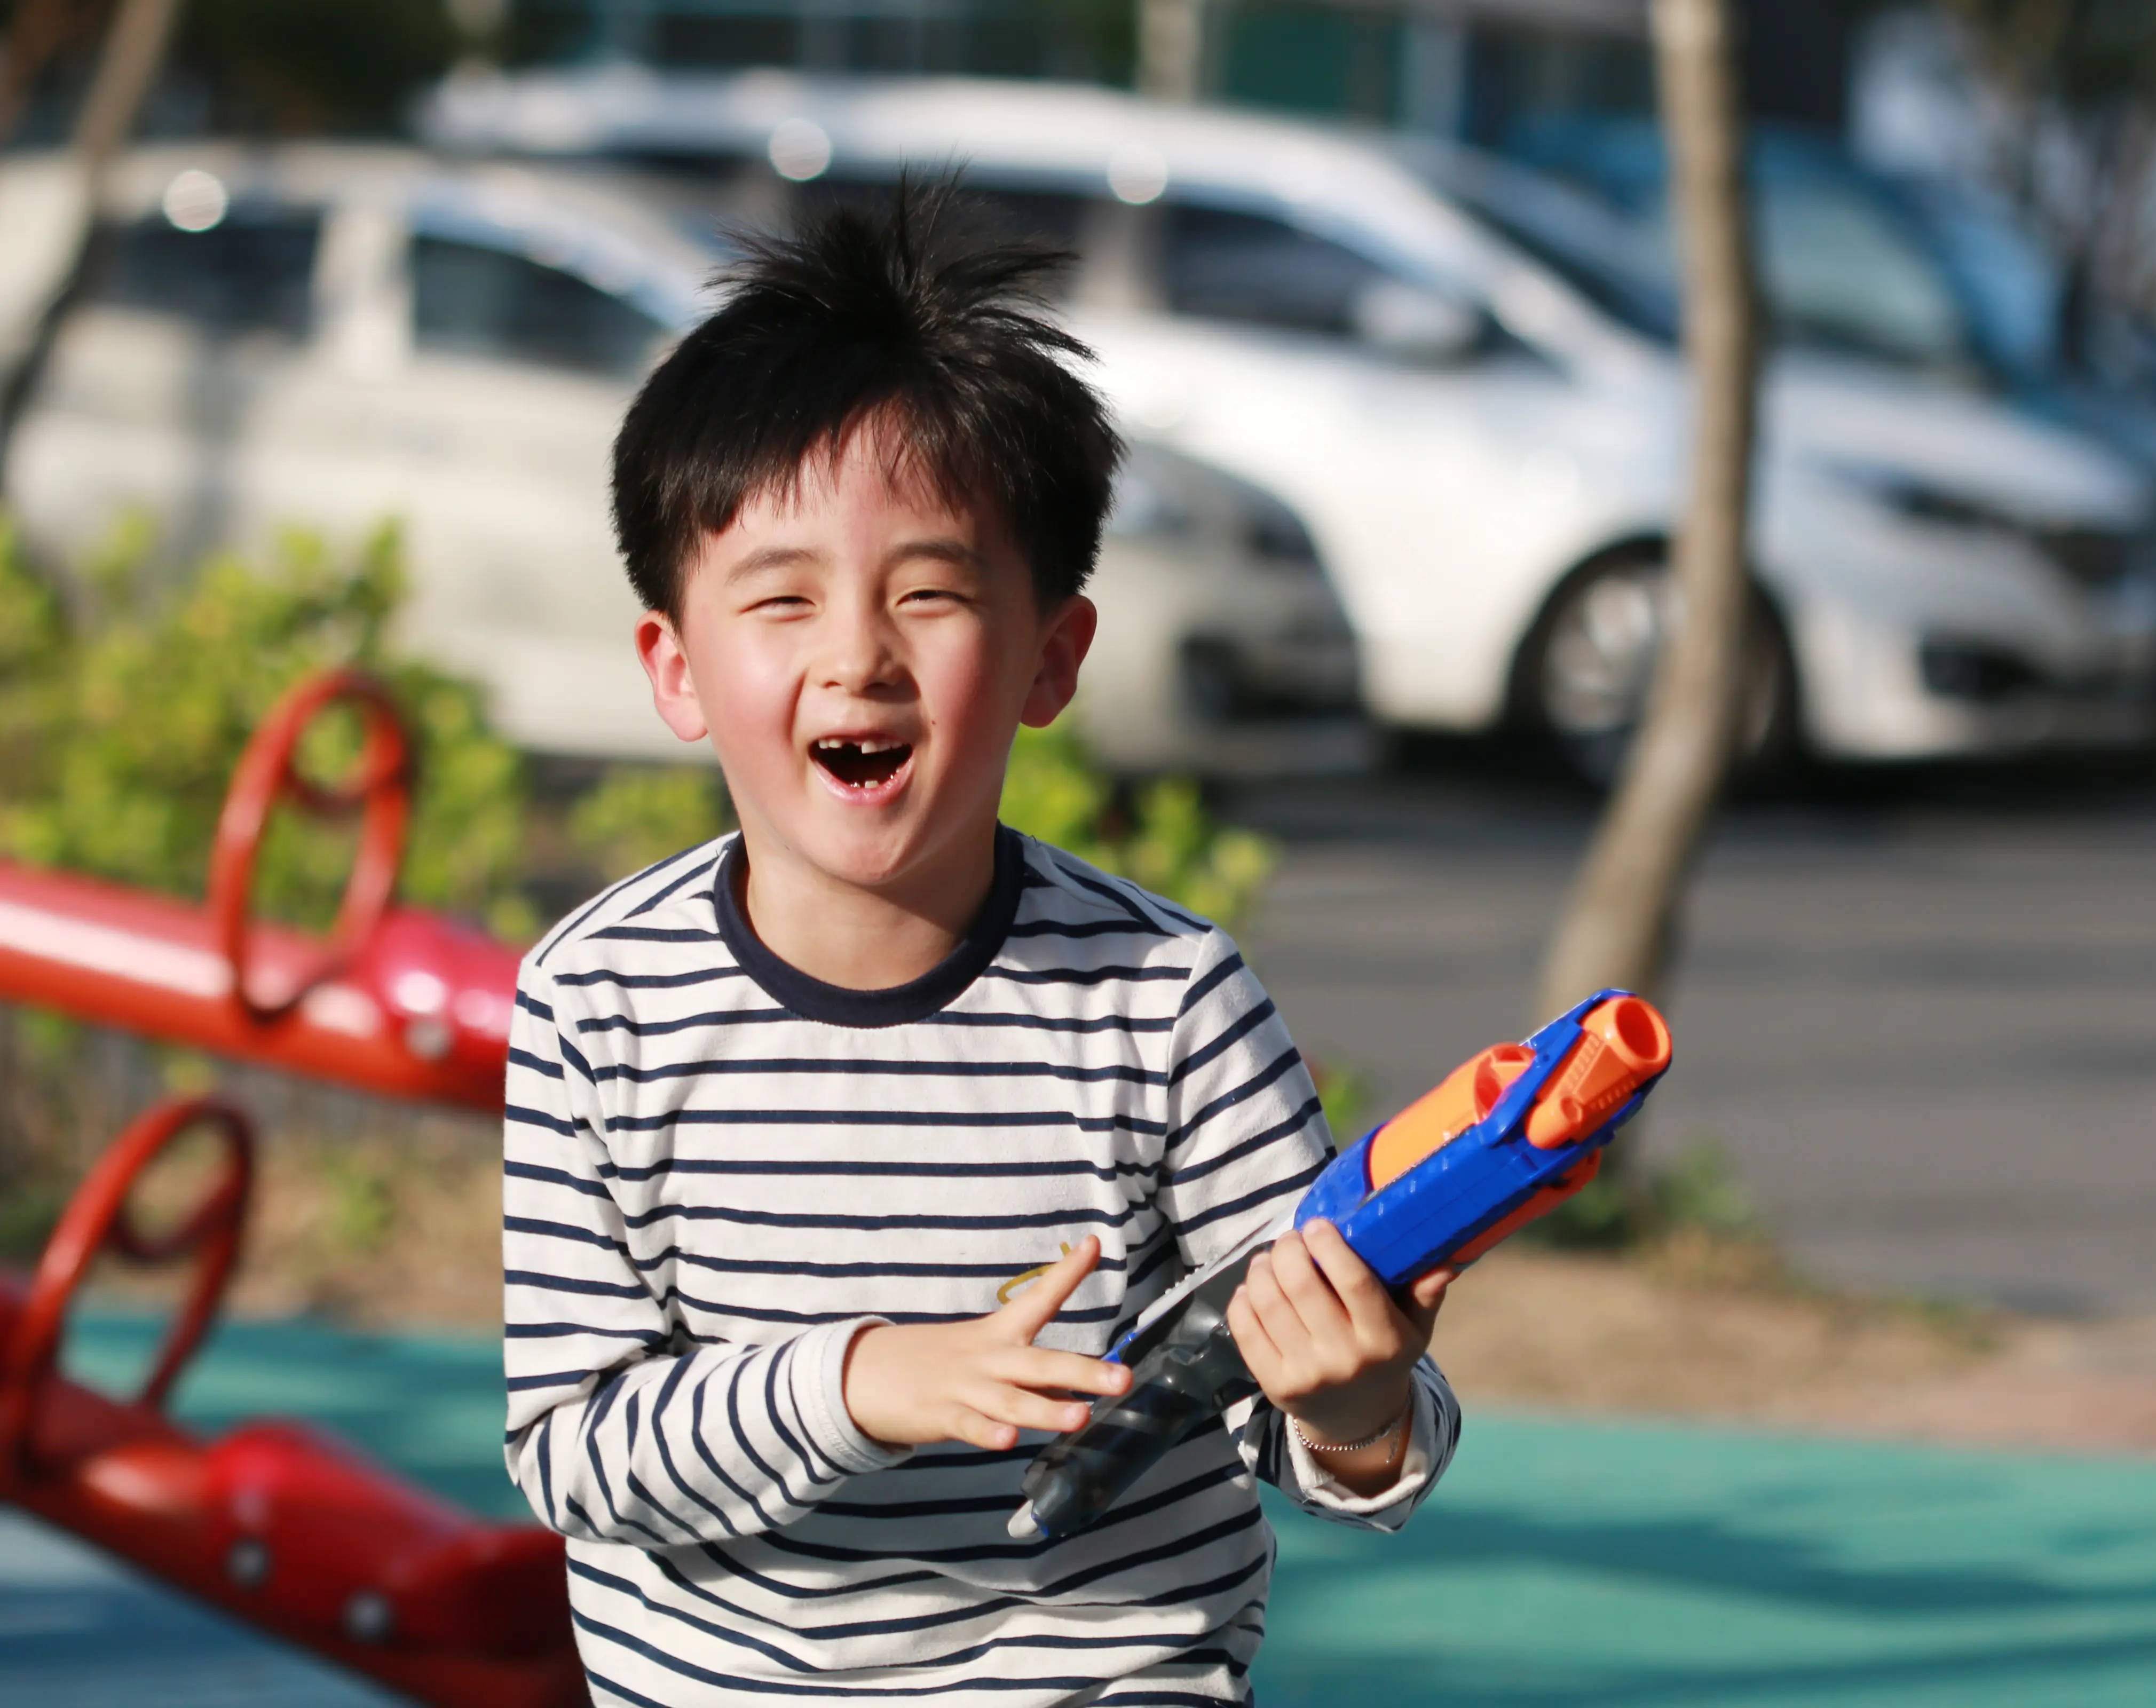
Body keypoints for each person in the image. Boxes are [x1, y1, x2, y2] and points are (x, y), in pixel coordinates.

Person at [500, 178, 1462, 1705]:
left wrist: (1356, 1406)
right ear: (675, 669)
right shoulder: (594, 1004)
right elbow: (573, 1453)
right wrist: (863, 1380)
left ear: (1051, 656)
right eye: (782, 600)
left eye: (932, 594)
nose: (859, 658)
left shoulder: (1170, 1004)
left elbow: (1314, 1418)